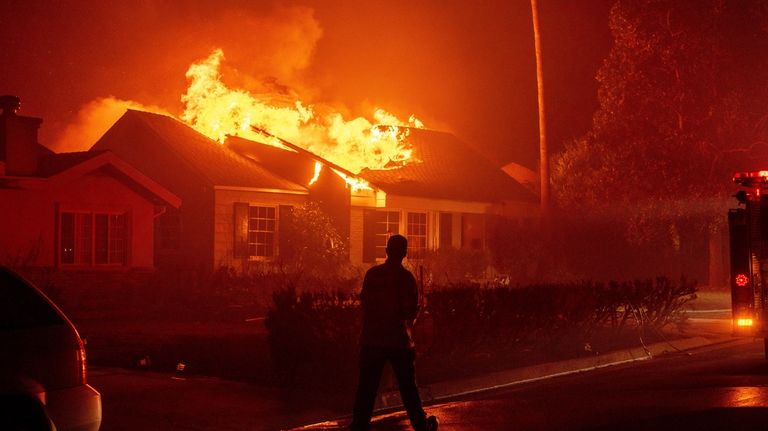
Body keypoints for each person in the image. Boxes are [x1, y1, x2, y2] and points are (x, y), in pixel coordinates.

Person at [349, 234, 438, 431]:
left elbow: (366, 302)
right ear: (404, 254)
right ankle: (421, 425)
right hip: (399, 341)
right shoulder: (407, 279)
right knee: (408, 388)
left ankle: (359, 425)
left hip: (372, 340)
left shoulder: (373, 274)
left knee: (367, 388)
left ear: (387, 251)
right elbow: (409, 312)